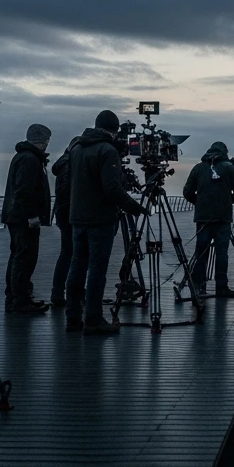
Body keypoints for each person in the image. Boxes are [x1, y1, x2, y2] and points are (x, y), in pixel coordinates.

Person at [65, 111, 146, 335]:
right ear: (114, 130)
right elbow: (112, 188)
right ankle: (93, 319)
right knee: (97, 271)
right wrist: (135, 207)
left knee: (77, 267)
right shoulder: (107, 151)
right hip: (100, 219)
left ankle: (72, 318)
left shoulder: (77, 148)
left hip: (77, 216)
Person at [183, 141, 234, 297]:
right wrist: (227, 200)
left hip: (203, 218)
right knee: (222, 253)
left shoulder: (198, 168)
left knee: (201, 252)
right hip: (222, 217)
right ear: (225, 152)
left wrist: (200, 202)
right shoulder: (230, 168)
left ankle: (199, 287)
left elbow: (187, 192)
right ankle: (221, 287)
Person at [2, 124, 53, 314]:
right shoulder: (31, 159)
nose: (47, 144)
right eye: (46, 140)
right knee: (25, 257)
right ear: (42, 140)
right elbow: (24, 190)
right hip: (24, 218)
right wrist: (32, 215)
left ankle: (14, 294)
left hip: (14, 215)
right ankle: (21, 299)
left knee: (17, 255)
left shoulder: (22, 156)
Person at [48, 135, 79, 308]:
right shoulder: (70, 166)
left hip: (62, 214)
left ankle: (59, 291)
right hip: (71, 215)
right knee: (71, 254)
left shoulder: (62, 165)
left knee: (67, 253)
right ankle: (62, 292)